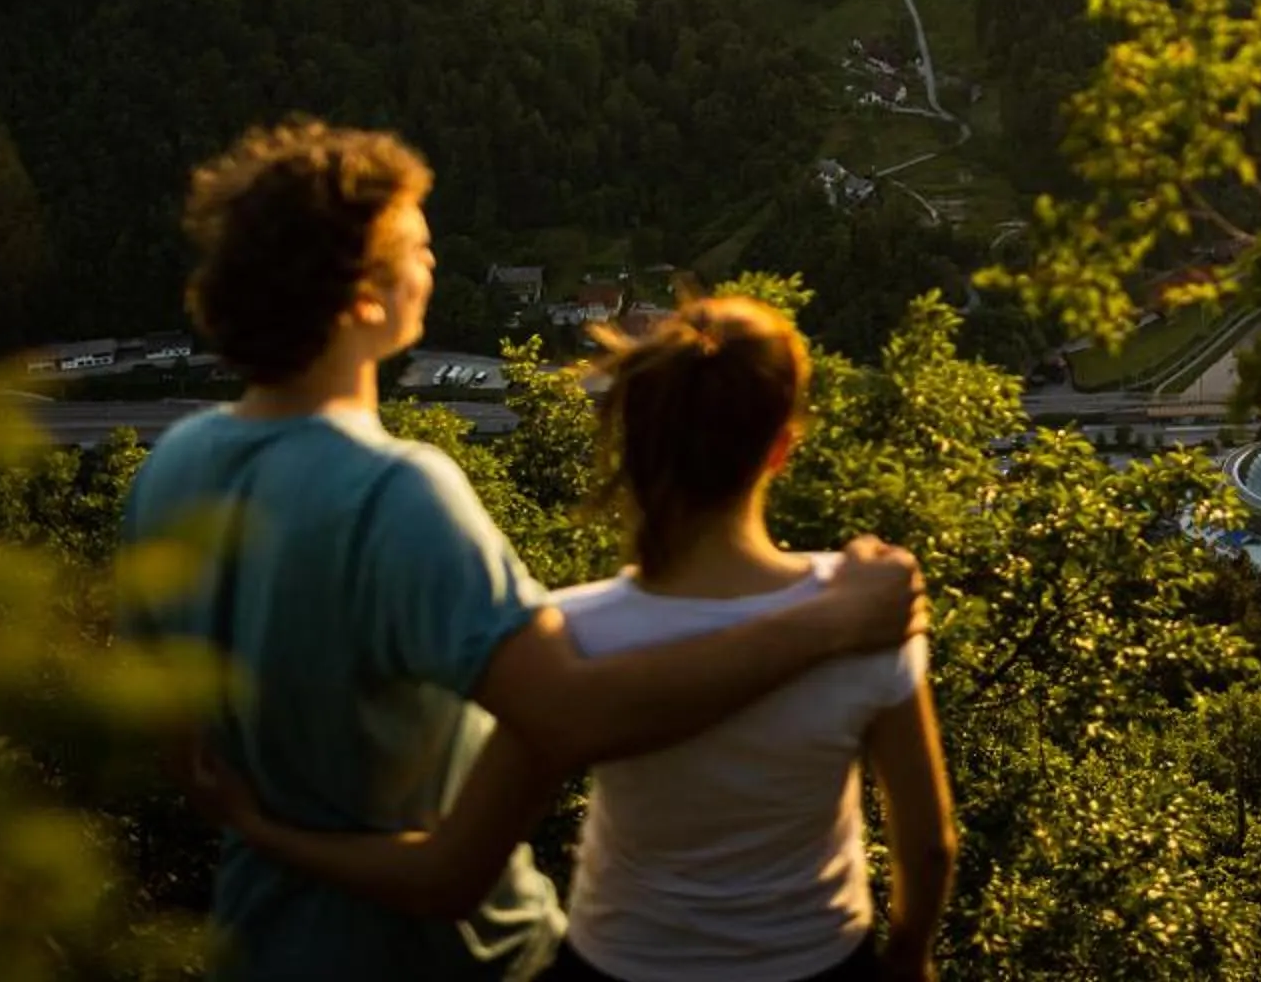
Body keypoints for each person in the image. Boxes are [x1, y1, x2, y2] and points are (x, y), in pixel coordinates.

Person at [118, 122, 926, 981]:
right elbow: (575, 716)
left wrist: (265, 829)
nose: (433, 262)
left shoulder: (173, 466)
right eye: (416, 247)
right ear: (363, 298)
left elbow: (181, 750)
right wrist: (831, 622)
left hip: (258, 938)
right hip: (441, 958)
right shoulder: (395, 494)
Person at [203, 296, 958, 982]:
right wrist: (909, 952)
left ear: (637, 442)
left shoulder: (572, 638)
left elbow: (448, 875)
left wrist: (263, 829)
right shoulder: (871, 608)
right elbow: (929, 845)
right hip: (818, 960)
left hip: (626, 964)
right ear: (779, 449)